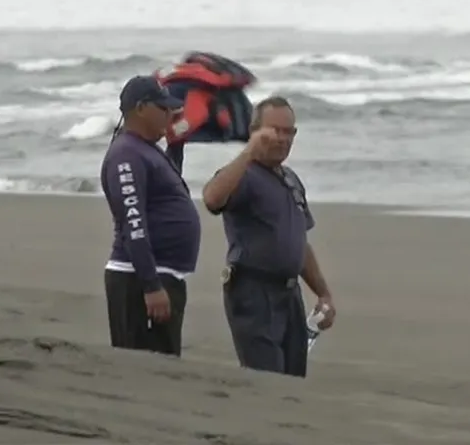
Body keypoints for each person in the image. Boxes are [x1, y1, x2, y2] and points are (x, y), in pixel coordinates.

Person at [201, 95, 336, 377]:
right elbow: (212, 198)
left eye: (289, 132)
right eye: (274, 130)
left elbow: (300, 242)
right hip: (253, 291)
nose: (282, 139)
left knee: (293, 377)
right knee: (266, 380)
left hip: (289, 295)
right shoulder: (244, 175)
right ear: (254, 131)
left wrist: (322, 292)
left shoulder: (291, 180)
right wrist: (249, 152)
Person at [100, 75, 202, 357]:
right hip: (137, 280)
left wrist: (177, 145)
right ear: (142, 107)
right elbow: (134, 222)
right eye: (164, 108)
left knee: (165, 361)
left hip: (160, 276)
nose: (170, 115)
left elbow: (168, 190)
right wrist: (151, 285)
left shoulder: (146, 150)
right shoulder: (126, 154)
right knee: (146, 369)